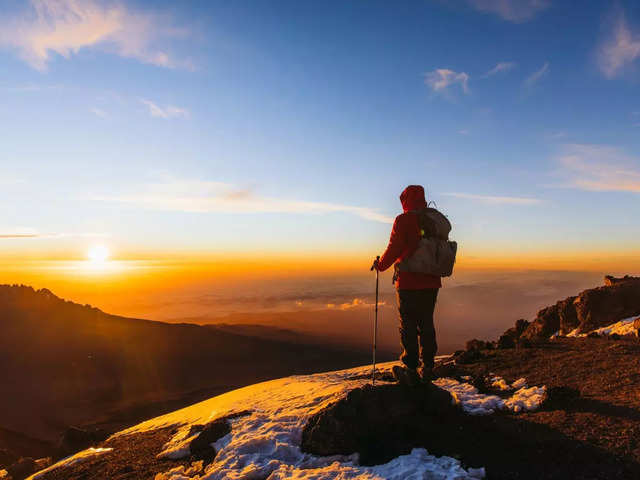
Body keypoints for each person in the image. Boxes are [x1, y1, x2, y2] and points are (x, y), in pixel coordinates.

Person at [373, 185, 442, 385]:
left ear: (405, 200)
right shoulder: (433, 218)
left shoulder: (403, 220)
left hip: (409, 281)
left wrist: (381, 265)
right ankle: (428, 366)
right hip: (432, 280)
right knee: (427, 322)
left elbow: (394, 247)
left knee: (408, 324)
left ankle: (411, 369)